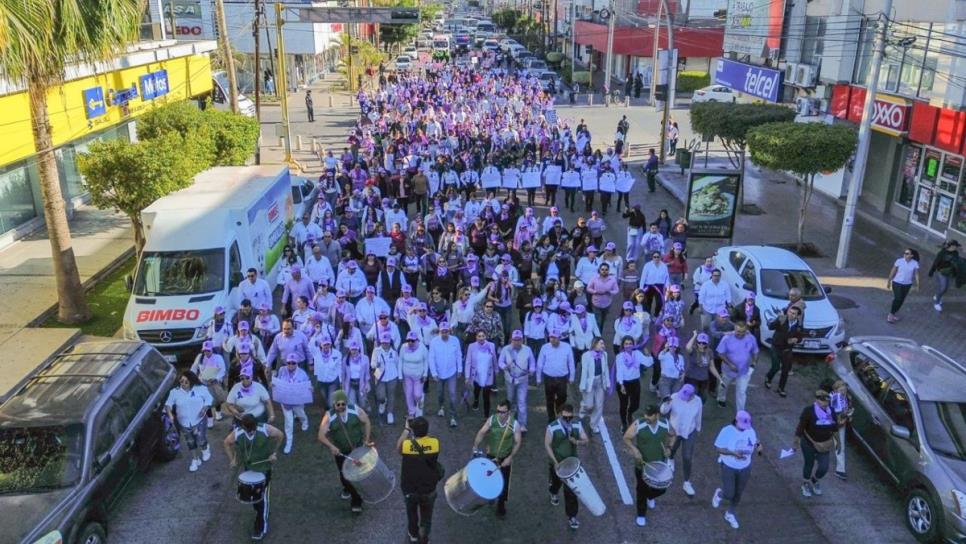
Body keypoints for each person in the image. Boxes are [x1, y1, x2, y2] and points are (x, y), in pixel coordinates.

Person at [224, 414, 284, 539]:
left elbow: (280, 435)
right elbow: (226, 442)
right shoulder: (238, 432)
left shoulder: (265, 429)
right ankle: (260, 513)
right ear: (243, 426)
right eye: (249, 429)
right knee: (255, 501)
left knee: (263, 500)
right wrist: (232, 459)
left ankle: (260, 528)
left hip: (264, 470)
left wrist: (274, 453)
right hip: (249, 470)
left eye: (253, 428)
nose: (252, 431)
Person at [317, 389, 374, 514]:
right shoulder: (329, 416)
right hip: (341, 452)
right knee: (344, 476)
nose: (341, 407)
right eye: (338, 404)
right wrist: (331, 446)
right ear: (333, 404)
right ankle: (352, 492)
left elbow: (367, 422)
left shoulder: (355, 409)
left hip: (357, 448)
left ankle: (356, 499)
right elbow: (321, 436)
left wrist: (367, 439)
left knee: (360, 472)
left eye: (343, 404)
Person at [623, 404, 675, 527]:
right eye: (645, 414)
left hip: (659, 465)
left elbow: (673, 435)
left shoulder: (665, 424)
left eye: (649, 415)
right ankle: (641, 514)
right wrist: (635, 451)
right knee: (641, 489)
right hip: (642, 465)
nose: (646, 417)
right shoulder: (639, 424)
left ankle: (650, 496)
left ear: (657, 415)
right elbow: (626, 438)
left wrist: (669, 447)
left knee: (662, 489)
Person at [471, 399, 523, 518]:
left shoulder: (514, 424)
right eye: (498, 411)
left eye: (503, 412)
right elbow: (482, 432)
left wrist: (510, 457)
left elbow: (518, 442)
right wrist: (475, 446)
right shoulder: (492, 419)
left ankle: (501, 504)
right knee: (489, 478)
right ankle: (490, 495)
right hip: (491, 455)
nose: (500, 414)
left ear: (509, 412)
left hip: (505, 457)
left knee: (504, 481)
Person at [712, 410, 762, 529]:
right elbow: (718, 448)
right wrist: (733, 453)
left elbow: (756, 442)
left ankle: (730, 513)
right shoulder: (727, 431)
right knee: (729, 493)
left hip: (745, 467)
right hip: (729, 466)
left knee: (738, 493)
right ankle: (719, 493)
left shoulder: (750, 430)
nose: (745, 428)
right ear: (736, 421)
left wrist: (759, 448)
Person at [544, 403, 589, 530]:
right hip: (558, 463)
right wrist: (555, 462)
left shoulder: (577, 425)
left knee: (572, 491)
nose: (568, 420)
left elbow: (586, 440)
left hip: (572, 465)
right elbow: (547, 444)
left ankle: (572, 516)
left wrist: (578, 442)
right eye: (565, 417)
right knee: (556, 484)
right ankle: (553, 492)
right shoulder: (552, 427)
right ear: (559, 415)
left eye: (570, 417)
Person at [398, 416, 442, 544]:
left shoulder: (407, 445)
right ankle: (424, 537)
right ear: (427, 430)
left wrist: (406, 429)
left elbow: (398, 448)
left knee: (411, 513)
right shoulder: (435, 443)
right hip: (428, 488)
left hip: (410, 489)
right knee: (426, 516)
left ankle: (413, 534)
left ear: (413, 430)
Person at [793, 389, 840, 498]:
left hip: (824, 444)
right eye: (823, 401)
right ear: (817, 400)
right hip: (809, 443)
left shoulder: (831, 411)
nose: (825, 404)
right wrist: (796, 440)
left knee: (824, 467)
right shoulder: (809, 411)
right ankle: (805, 483)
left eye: (827, 402)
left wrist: (838, 442)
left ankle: (814, 480)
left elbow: (835, 428)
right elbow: (801, 427)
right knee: (809, 464)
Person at [165, 370, 214, 472]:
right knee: (190, 442)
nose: (183, 384)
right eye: (181, 381)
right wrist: (170, 415)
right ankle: (195, 459)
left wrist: (204, 409)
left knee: (201, 438)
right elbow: (168, 404)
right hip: (184, 422)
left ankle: (205, 448)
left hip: (199, 420)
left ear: (191, 381)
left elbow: (209, 399)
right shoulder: (174, 392)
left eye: (186, 381)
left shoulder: (200, 389)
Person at [660, 384, 702, 497]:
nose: (682, 396)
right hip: (675, 430)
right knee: (672, 449)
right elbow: (663, 411)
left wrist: (698, 429)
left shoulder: (698, 401)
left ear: (692, 396)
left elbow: (699, 416)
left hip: (690, 431)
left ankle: (687, 482)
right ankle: (671, 459)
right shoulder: (674, 397)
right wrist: (666, 403)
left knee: (687, 457)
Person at [272, 354, 312, 454]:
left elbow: (308, 385)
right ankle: (289, 443)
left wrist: (310, 389)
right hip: (285, 402)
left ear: (297, 363)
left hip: (297, 401)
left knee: (301, 414)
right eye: (289, 362)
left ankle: (305, 421)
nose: (290, 365)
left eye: (293, 363)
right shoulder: (282, 370)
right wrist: (273, 384)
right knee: (289, 423)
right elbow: (278, 382)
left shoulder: (302, 373)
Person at [715, 321, 759, 410]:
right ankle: (721, 398)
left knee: (742, 392)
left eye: (743, 332)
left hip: (744, 371)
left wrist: (754, 362)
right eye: (738, 331)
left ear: (746, 330)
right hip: (728, 370)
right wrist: (730, 364)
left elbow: (755, 351)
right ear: (734, 329)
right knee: (724, 386)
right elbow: (720, 353)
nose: (740, 334)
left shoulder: (751, 338)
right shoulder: (726, 338)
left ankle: (740, 412)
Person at [498, 330, 536, 432]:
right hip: (509, 379)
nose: (517, 342)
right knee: (509, 400)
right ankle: (509, 421)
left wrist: (532, 370)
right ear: (511, 339)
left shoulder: (527, 350)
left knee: (522, 401)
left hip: (523, 379)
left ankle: (522, 424)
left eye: (519, 340)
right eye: (515, 339)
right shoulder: (506, 349)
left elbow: (532, 362)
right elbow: (500, 361)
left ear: (522, 340)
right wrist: (504, 367)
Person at [429, 322, 463, 428]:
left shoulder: (455, 340)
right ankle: (441, 407)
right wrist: (434, 372)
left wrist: (459, 369)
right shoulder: (434, 341)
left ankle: (453, 416)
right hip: (439, 372)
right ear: (439, 331)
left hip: (452, 372)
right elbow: (431, 358)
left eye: (446, 331)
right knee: (440, 392)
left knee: (453, 394)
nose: (444, 333)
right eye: (442, 331)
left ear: (449, 331)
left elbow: (458, 355)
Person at [764, 305, 803, 396]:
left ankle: (781, 388)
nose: (791, 315)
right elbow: (771, 327)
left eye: (794, 314)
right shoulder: (782, 319)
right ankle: (768, 378)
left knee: (785, 370)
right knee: (776, 366)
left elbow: (800, 336)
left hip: (787, 350)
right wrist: (778, 319)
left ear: (798, 316)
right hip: (776, 347)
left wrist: (796, 339)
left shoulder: (798, 325)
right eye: (790, 312)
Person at [536, 331, 576, 422]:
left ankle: (558, 409)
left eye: (555, 338)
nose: (553, 340)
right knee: (549, 399)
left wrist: (572, 377)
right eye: (551, 338)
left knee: (563, 396)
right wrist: (538, 378)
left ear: (559, 338)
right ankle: (551, 418)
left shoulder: (567, 347)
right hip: (549, 378)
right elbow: (539, 364)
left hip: (562, 378)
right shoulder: (545, 348)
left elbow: (571, 363)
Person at [577, 337, 610, 434]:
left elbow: (606, 370)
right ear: (595, 344)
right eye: (601, 343)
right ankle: (583, 409)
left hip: (600, 382)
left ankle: (594, 424)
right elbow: (584, 372)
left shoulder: (605, 355)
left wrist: (607, 383)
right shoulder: (586, 356)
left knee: (599, 405)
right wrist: (582, 386)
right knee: (589, 405)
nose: (603, 346)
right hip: (590, 383)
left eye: (603, 344)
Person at [371, 333, 402, 425]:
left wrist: (399, 376)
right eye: (383, 342)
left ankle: (389, 413)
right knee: (381, 396)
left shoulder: (394, 352)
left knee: (391, 395)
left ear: (390, 342)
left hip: (392, 376)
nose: (385, 344)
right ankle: (383, 403)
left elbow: (398, 364)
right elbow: (372, 363)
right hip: (380, 377)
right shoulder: (376, 351)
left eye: (387, 342)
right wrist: (376, 365)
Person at [466, 331, 498, 417]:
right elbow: (468, 361)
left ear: (486, 336)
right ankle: (476, 400)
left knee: (486, 396)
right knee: (477, 390)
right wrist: (467, 376)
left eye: (483, 336)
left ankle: (486, 415)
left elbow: (494, 358)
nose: (481, 338)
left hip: (488, 374)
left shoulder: (491, 345)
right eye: (479, 336)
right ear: (476, 337)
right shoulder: (471, 346)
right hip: (476, 374)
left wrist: (496, 370)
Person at [400, 331, 429, 419]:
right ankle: (411, 412)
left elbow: (426, 361)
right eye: (408, 340)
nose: (410, 342)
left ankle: (420, 400)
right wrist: (400, 375)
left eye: (412, 340)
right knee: (408, 393)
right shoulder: (403, 347)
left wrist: (425, 374)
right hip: (407, 376)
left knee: (417, 394)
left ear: (416, 340)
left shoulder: (422, 347)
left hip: (418, 376)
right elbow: (400, 361)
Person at [886, 248, 920, 323]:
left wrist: (918, 284)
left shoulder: (915, 263)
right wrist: (889, 281)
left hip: (907, 284)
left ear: (912, 255)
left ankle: (894, 313)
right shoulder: (899, 261)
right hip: (897, 283)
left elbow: (916, 274)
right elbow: (893, 271)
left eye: (907, 253)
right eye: (904, 253)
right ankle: (890, 315)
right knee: (898, 298)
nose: (905, 254)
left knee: (901, 300)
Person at [928, 239, 961, 312]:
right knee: (943, 287)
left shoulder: (956, 253)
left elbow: (956, 263)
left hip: (949, 273)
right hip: (941, 272)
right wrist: (931, 271)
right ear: (952, 246)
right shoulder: (942, 253)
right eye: (956, 246)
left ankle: (937, 296)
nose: (957, 248)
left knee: (945, 288)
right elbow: (936, 262)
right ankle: (937, 303)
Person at [830, 380, 854, 481]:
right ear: (836, 390)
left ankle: (840, 470)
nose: (843, 391)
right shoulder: (834, 398)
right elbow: (836, 412)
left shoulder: (847, 397)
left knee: (840, 446)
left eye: (844, 389)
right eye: (841, 390)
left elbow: (849, 407)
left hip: (840, 424)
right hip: (832, 424)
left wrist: (850, 412)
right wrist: (846, 414)